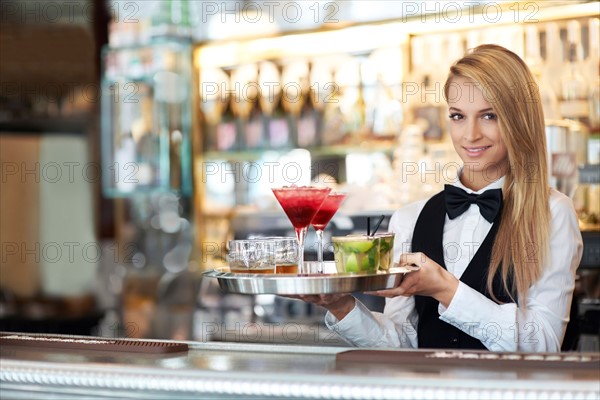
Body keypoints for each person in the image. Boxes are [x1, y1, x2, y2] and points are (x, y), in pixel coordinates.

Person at [299, 44, 583, 352]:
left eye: (489, 116)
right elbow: (403, 343)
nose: (470, 134)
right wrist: (341, 306)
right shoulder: (409, 218)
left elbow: (542, 344)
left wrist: (445, 289)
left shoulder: (553, 213)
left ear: (518, 120)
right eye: (458, 116)